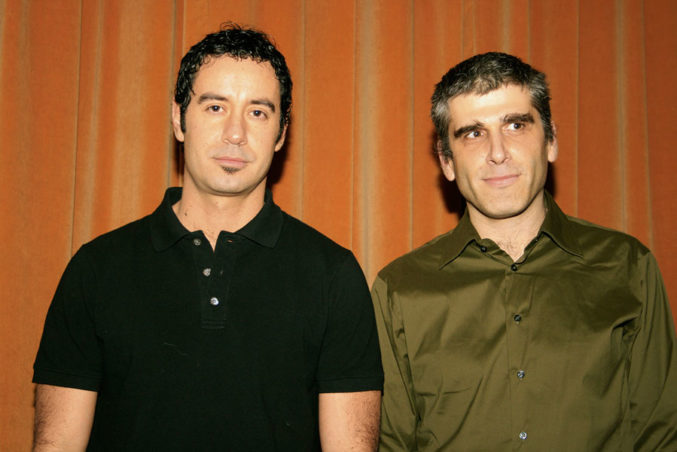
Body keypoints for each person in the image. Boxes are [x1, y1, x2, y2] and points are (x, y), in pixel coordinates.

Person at [33, 23, 382, 451]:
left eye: (258, 112)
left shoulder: (333, 275)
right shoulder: (96, 269)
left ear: (281, 133)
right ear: (178, 119)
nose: (235, 133)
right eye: (216, 107)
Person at [372, 52, 677, 451]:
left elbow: (661, 434)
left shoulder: (627, 266)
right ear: (446, 161)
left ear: (551, 140)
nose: (498, 152)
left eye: (515, 125)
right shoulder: (400, 289)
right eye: (473, 133)